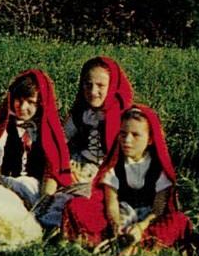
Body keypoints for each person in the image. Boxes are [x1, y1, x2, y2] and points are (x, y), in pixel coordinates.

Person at [62, 104, 190, 256]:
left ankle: (134, 248)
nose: (127, 140)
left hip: (146, 221)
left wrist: (140, 227)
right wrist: (117, 225)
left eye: (135, 135)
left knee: (179, 221)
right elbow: (111, 202)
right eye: (123, 134)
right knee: (76, 205)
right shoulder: (115, 164)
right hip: (118, 216)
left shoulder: (157, 167)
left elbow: (158, 209)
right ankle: (112, 243)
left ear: (150, 139)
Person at [39, 55, 134, 227]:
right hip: (81, 162)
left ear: (112, 86)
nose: (92, 91)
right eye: (88, 84)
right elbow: (62, 141)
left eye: (100, 86)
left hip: (108, 168)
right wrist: (65, 165)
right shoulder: (81, 113)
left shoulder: (123, 115)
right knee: (53, 164)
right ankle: (43, 204)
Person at [0, 69, 72, 210]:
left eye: (30, 102)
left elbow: (51, 170)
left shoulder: (46, 132)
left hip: (39, 189)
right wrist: (17, 199)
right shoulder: (1, 130)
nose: (22, 107)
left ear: (40, 104)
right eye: (19, 100)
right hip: (7, 187)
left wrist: (44, 201)